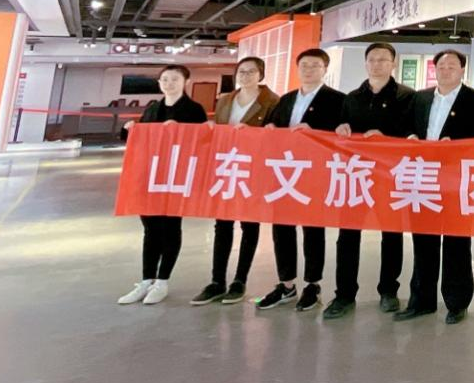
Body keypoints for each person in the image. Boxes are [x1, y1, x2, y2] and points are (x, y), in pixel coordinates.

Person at [395, 49, 474, 323]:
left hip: (457, 180)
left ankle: (456, 302)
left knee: (456, 242)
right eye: (441, 65)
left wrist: (457, 145)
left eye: (452, 66)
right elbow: (404, 127)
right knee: (423, 241)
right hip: (423, 178)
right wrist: (410, 136)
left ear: (462, 70)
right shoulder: (420, 98)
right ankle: (421, 300)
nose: (446, 70)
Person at [323, 42, 415, 320]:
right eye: (372, 59)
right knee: (348, 235)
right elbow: (341, 128)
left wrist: (386, 138)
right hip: (356, 174)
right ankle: (344, 294)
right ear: (365, 63)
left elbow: (412, 134)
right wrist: (341, 128)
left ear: (393, 63)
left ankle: (388, 290)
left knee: (392, 234)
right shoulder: (352, 97)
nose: (377, 64)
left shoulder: (407, 97)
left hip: (390, 175)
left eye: (383, 60)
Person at [257, 47, 346, 312]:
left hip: (315, 173)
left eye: (315, 65)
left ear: (325, 70)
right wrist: (270, 129)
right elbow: (272, 127)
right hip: (284, 172)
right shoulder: (285, 99)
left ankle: (312, 284)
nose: (308, 70)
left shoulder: (337, 100)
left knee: (313, 229)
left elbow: (342, 135)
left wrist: (316, 131)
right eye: (304, 65)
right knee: (282, 228)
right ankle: (286, 284)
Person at [191, 56, 280, 306]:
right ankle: (217, 281)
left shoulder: (272, 101)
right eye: (242, 71)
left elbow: (277, 135)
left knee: (249, 224)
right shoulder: (225, 99)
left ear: (261, 75)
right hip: (227, 167)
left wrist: (259, 133)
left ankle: (240, 281)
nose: (246, 76)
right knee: (222, 224)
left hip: (254, 169)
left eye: (251, 72)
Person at [117, 65, 207, 306]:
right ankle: (146, 279)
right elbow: (139, 141)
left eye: (175, 79)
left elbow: (203, 142)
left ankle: (163, 281)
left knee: (170, 227)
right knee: (150, 228)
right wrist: (129, 129)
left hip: (176, 177)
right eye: (165, 79)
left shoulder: (194, 110)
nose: (169, 83)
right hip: (150, 176)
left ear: (185, 82)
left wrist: (181, 132)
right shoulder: (152, 109)